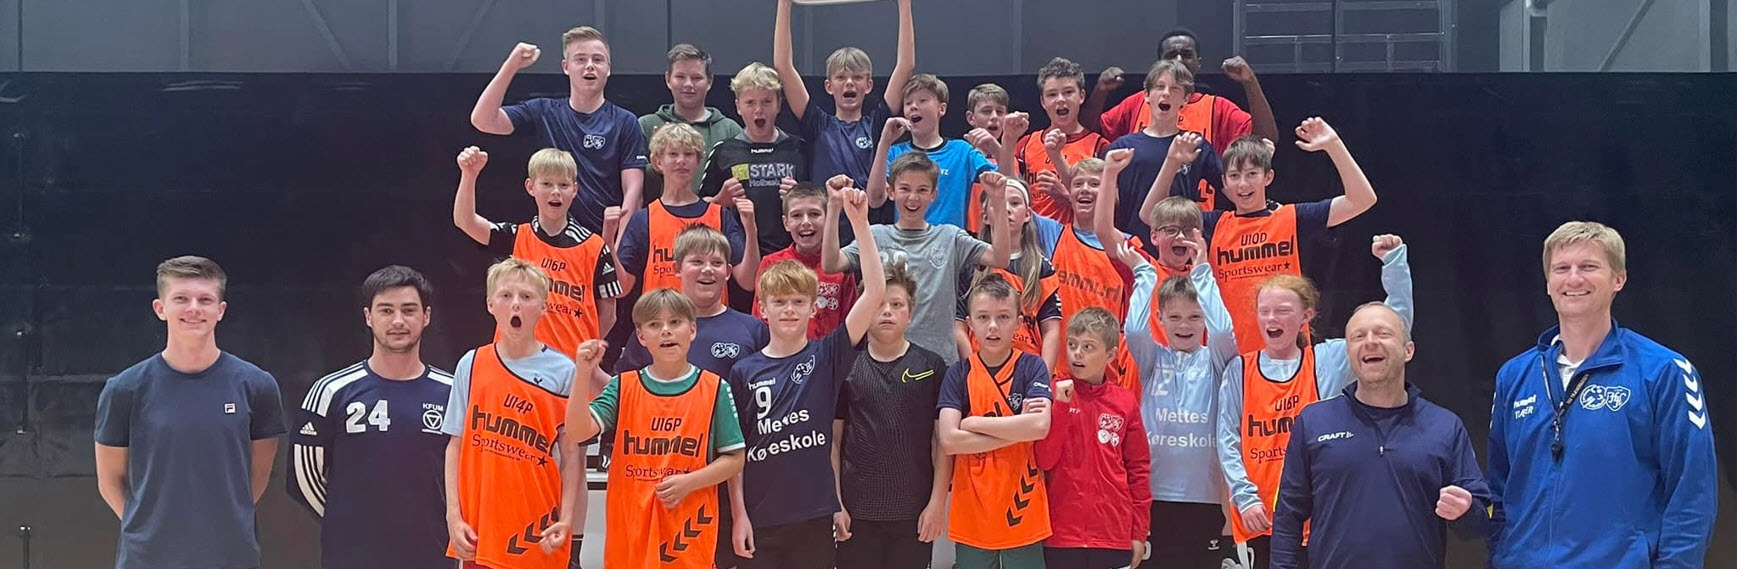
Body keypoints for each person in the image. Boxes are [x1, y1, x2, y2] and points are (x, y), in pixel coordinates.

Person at [1485, 222, 1717, 569]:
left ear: (1618, 279)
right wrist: (1504, 555)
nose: (1574, 279)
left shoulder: (1664, 371)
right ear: (1548, 283)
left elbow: (1692, 494)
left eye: (1589, 266)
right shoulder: (1514, 376)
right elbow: (1499, 488)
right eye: (1562, 268)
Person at [1215, 235, 1411, 569]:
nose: (1272, 319)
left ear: (1305, 316)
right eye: (1264, 311)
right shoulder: (1240, 369)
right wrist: (1244, 497)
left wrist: (1393, 265)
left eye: (1282, 311)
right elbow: (1227, 439)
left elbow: (1395, 327)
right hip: (1260, 518)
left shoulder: (1327, 361)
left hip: (1326, 517)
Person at [727, 177, 887, 569]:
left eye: (799, 302)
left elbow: (875, 294)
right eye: (780, 302)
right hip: (760, 518)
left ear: (813, 308)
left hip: (814, 515)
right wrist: (739, 515)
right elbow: (734, 452)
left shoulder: (827, 355)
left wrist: (860, 223)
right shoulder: (743, 371)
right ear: (763, 308)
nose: (789, 310)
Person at [94, 256, 286, 569]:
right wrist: (146, 529)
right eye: (181, 298)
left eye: (205, 300)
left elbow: (258, 475)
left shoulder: (257, 385)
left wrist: (225, 523)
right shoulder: (125, 389)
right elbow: (109, 480)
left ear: (220, 310)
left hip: (231, 557)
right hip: (148, 559)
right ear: (160, 308)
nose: (194, 308)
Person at [1270, 302, 1489, 569]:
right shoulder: (1313, 421)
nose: (1370, 342)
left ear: (1408, 350)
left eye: (1383, 333)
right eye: (1358, 336)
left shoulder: (1444, 426)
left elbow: (1478, 521)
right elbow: (1288, 515)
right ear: (1348, 352)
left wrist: (1465, 511)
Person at [615, 226, 769, 569]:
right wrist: (582, 371)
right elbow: (621, 392)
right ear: (677, 268)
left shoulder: (753, 329)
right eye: (697, 261)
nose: (707, 270)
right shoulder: (654, 330)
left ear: (728, 271)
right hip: (664, 476)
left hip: (732, 475)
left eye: (716, 262)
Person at [565, 290, 749, 569]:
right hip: (630, 535)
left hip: (688, 537)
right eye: (654, 324)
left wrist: (691, 482)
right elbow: (578, 432)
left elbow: (735, 459)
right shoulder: (623, 386)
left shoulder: (714, 389)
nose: (666, 331)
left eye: (675, 322)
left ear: (692, 330)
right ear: (641, 336)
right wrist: (582, 374)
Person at [289, 266, 454, 569]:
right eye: (386, 310)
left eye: (409, 310)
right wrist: (348, 523)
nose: (398, 321)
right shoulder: (331, 391)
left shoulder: (455, 393)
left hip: (434, 555)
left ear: (426, 316)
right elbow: (303, 479)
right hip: (353, 558)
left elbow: (473, 476)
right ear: (368, 317)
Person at [1173, 120, 1378, 355]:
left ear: (1268, 177)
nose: (1243, 184)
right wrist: (1172, 162)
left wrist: (1333, 144)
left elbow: (1362, 199)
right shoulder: (1213, 223)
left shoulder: (1292, 217)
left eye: (1252, 174)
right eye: (1235, 175)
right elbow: (1152, 216)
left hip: (1289, 357)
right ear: (1224, 182)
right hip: (1230, 359)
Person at [441, 259, 584, 569]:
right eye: (506, 295)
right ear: (490, 304)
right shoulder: (471, 364)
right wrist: (453, 515)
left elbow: (571, 454)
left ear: (543, 307)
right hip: (480, 529)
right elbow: (455, 445)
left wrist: (567, 518)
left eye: (526, 296)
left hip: (538, 528)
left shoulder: (564, 371)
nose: (515, 304)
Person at [1117, 226, 1241, 569]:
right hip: (1154, 496)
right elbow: (1134, 330)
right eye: (1174, 317)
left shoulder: (1218, 360)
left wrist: (1202, 272)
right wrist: (1143, 274)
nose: (1184, 325)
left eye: (1194, 317)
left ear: (1204, 319)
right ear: (1160, 319)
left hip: (1204, 498)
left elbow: (1223, 330)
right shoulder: (1152, 360)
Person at [452, 146, 622, 382]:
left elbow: (609, 314)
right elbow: (465, 221)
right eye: (547, 184)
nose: (556, 192)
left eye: (563, 185)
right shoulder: (516, 237)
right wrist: (469, 175)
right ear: (530, 187)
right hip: (514, 367)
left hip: (569, 372)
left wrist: (582, 345)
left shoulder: (595, 247)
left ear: (575, 190)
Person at [826, 153, 1012, 366]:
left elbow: (1000, 258)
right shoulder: (875, 236)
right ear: (891, 191)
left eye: (922, 190)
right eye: (905, 189)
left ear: (933, 194)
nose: (913, 197)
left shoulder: (950, 237)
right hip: (884, 362)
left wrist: (998, 202)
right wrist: (834, 206)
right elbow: (831, 264)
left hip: (940, 362)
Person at [469, 27, 648, 238]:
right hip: (552, 240)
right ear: (566, 67)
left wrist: (619, 248)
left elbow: (633, 193)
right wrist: (512, 64)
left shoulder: (625, 121)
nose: (589, 66)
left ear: (608, 68)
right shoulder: (544, 111)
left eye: (598, 59)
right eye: (580, 59)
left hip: (603, 242)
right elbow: (482, 120)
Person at [833, 262, 952, 569]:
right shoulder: (846, 367)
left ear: (909, 314)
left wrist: (937, 503)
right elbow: (834, 442)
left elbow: (941, 443)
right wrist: (836, 503)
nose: (887, 311)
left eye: (897, 305)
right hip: (856, 512)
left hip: (913, 512)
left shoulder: (931, 366)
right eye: (878, 304)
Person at [937, 273, 1055, 569]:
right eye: (983, 317)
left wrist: (973, 423)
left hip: (1023, 509)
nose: (993, 326)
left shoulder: (1032, 366)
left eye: (1003, 317)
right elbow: (949, 441)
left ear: (1018, 322)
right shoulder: (958, 374)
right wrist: (1019, 428)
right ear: (970, 324)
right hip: (972, 513)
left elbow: (1040, 427)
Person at [776, 0, 916, 228]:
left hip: (870, 231)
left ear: (868, 86)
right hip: (825, 232)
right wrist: (784, 5)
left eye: (857, 77)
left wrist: (904, 6)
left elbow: (905, 67)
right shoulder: (817, 123)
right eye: (841, 77)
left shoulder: (878, 123)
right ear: (829, 86)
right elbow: (783, 67)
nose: (849, 83)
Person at [1034, 308, 1152, 569]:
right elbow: (1044, 459)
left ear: (1111, 355)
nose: (1077, 353)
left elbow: (1139, 471)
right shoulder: (1052, 393)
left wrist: (1139, 532)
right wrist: (1061, 407)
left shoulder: (1124, 402)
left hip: (1113, 536)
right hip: (1061, 537)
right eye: (1072, 344)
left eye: (1088, 347)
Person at [614, 123, 758, 297]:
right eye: (673, 154)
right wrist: (608, 236)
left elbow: (748, 282)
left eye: (688, 154)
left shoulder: (720, 215)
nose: (681, 160)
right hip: (661, 313)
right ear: (658, 162)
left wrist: (751, 229)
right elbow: (621, 288)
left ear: (698, 161)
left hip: (711, 313)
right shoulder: (643, 219)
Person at [1084, 28, 1278, 151]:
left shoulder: (1217, 107)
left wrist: (1250, 82)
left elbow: (1266, 140)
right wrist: (1100, 91)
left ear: (1198, 63)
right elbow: (1087, 138)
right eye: (1171, 55)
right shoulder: (1138, 102)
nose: (1178, 60)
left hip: (1198, 205)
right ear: (1159, 62)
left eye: (1186, 55)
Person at [868, 74, 1018, 230]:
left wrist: (996, 147)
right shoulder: (894, 152)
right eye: (908, 103)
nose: (913, 106)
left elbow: (1009, 184)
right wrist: (884, 142)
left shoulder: (961, 151)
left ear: (942, 109)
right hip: (906, 242)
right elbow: (874, 200)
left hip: (951, 242)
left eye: (922, 100)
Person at [1049, 155, 1142, 389]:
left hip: (1107, 379)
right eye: (1078, 184)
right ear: (1069, 193)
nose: (1085, 189)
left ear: (1112, 192)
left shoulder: (1128, 246)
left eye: (1094, 183)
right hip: (1060, 374)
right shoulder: (1051, 234)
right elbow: (1014, 204)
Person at [1103, 60, 1223, 235]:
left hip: (1179, 243)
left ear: (1185, 99)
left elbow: (1228, 187)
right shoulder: (1122, 148)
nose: (1166, 93)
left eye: (1174, 89)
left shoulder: (1193, 144)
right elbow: (1098, 196)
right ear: (1146, 95)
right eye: (1160, 87)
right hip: (1133, 244)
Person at [700, 62, 808, 255]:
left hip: (791, 255)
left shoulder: (799, 149)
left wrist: (800, 197)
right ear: (738, 107)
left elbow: (820, 202)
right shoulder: (723, 151)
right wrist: (719, 200)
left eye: (766, 102)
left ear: (778, 105)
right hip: (740, 256)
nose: (759, 110)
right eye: (750, 102)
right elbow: (699, 207)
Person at [955, 179, 1063, 369]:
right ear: (985, 217)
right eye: (997, 204)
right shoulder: (971, 264)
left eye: (1014, 203)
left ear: (1028, 214)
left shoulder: (1042, 268)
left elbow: (1051, 330)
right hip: (980, 364)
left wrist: (1042, 377)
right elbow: (958, 326)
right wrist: (972, 369)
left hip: (1027, 368)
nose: (1006, 209)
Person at [755, 183, 859, 340]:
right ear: (786, 223)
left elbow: (849, 324)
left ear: (827, 219)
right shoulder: (770, 264)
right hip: (782, 352)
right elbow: (759, 322)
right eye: (796, 215)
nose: (805, 222)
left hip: (829, 352)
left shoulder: (841, 265)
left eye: (814, 214)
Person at [639, 44, 744, 198]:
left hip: (715, 213)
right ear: (668, 79)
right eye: (680, 77)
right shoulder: (645, 126)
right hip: (657, 212)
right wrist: (657, 161)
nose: (688, 84)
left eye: (696, 78)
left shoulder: (729, 130)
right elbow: (632, 185)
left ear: (709, 81)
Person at [1016, 57, 1111, 225]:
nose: (1060, 99)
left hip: (1078, 236)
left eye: (1068, 92)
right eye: (1052, 94)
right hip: (1032, 237)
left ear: (1081, 96)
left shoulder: (1099, 146)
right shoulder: (1025, 144)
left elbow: (1112, 205)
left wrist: (1066, 196)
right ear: (1043, 102)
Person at [961, 82, 1011, 235]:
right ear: (971, 118)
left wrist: (995, 147)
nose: (994, 117)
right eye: (987, 111)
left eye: (1000, 112)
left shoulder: (1013, 158)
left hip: (1002, 233)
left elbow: (1013, 187)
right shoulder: (961, 154)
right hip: (967, 234)